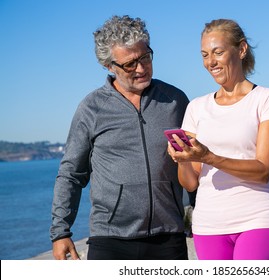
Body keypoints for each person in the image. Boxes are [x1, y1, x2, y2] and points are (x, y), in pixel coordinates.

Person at [50, 15, 190, 260]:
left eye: (145, 56)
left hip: (169, 237)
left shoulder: (175, 100)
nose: (141, 67)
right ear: (109, 66)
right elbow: (71, 173)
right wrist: (60, 232)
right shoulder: (92, 108)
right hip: (110, 240)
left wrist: (197, 211)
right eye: (130, 64)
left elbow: (195, 162)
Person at [167, 19, 269, 260]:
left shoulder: (266, 99)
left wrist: (208, 156)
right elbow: (190, 183)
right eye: (204, 55)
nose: (210, 62)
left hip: (257, 219)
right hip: (208, 224)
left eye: (218, 52)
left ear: (241, 50)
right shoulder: (196, 107)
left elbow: (263, 170)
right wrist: (182, 158)